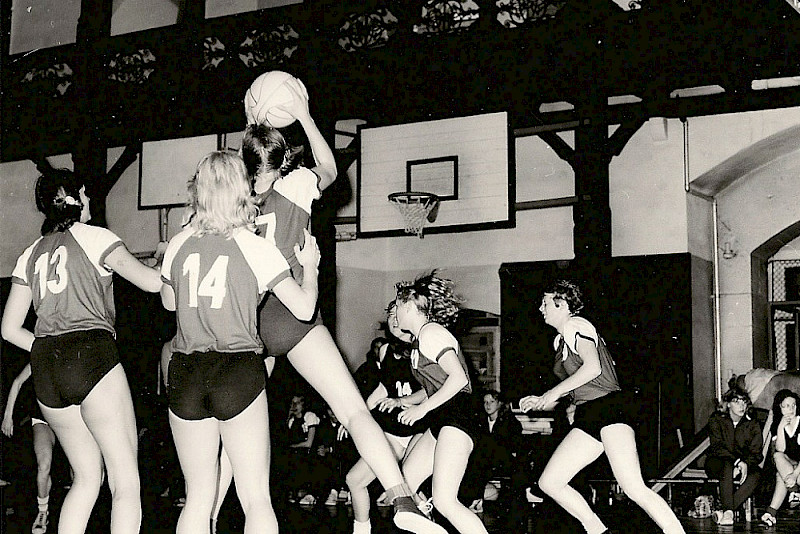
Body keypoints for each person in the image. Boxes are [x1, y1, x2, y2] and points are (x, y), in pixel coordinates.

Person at [240, 76, 442, 533]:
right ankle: (403, 500)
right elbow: (330, 169)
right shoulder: (293, 187)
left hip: (246, 321)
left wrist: (253, 129)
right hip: (293, 309)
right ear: (280, 161)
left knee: (236, 441)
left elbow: (246, 165)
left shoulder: (231, 200)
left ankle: (206, 517)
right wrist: (305, 116)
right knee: (352, 409)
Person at [159, 150, 320, 534]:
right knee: (256, 499)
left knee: (197, 498)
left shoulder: (179, 243)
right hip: (236, 369)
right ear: (242, 189)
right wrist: (310, 268)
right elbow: (303, 309)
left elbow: (169, 302)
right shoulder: (255, 246)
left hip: (185, 373)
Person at [0, 167, 163, 534]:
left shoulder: (28, 254)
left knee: (86, 480)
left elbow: (8, 329)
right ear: (77, 198)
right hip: (91, 355)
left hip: (47, 370)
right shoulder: (95, 237)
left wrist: (48, 348)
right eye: (86, 195)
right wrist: (167, 256)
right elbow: (153, 284)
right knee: (126, 483)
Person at [520, 279, 684, 534]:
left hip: (610, 409)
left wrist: (551, 393)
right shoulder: (559, 342)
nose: (541, 309)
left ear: (561, 304)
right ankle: (598, 530)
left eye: (545, 303)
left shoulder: (577, 324)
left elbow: (593, 367)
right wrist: (539, 400)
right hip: (589, 415)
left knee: (632, 487)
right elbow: (573, 389)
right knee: (550, 482)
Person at [390, 271, 488, 534]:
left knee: (446, 500)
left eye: (398, 306)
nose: (395, 312)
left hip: (461, 416)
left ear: (409, 306)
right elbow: (432, 386)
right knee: (404, 486)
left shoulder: (432, 332)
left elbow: (457, 379)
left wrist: (422, 409)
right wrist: (408, 403)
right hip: (444, 418)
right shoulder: (421, 339)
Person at [346, 302, 428, 534]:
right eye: (389, 315)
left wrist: (403, 401)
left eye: (397, 314)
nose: (393, 319)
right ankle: (362, 530)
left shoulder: (422, 346)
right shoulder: (384, 351)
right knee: (354, 480)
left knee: (407, 485)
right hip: (392, 429)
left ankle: (426, 515)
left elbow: (432, 389)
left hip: (418, 428)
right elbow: (384, 386)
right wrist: (357, 415)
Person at [2, 363, 56, 534]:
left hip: (72, 420)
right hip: (43, 420)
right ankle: (42, 511)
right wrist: (7, 416)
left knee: (84, 476)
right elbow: (18, 381)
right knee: (44, 465)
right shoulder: (40, 354)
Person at [461, 389, 525, 518]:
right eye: (485, 402)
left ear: (500, 403)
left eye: (491, 401)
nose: (488, 405)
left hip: (503, 461)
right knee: (473, 462)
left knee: (481, 459)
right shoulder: (480, 422)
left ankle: (476, 500)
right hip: (485, 461)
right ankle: (474, 500)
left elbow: (512, 447)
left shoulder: (511, 422)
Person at [705, 384, 763, 526]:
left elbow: (756, 453)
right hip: (717, 463)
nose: (741, 405)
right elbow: (718, 448)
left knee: (756, 475)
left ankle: (726, 512)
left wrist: (745, 464)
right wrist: (737, 462)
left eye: (744, 401)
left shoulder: (752, 424)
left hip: (743, 465)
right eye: (736, 401)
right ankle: (729, 510)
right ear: (728, 404)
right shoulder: (716, 420)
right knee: (727, 466)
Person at [760, 388, 800, 527]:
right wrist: (781, 427)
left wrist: (794, 475)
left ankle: (771, 512)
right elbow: (781, 450)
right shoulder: (777, 425)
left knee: (782, 476)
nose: (791, 409)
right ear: (780, 408)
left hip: (799, 469)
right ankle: (793, 492)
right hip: (790, 465)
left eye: (793, 405)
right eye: (787, 406)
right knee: (778, 457)